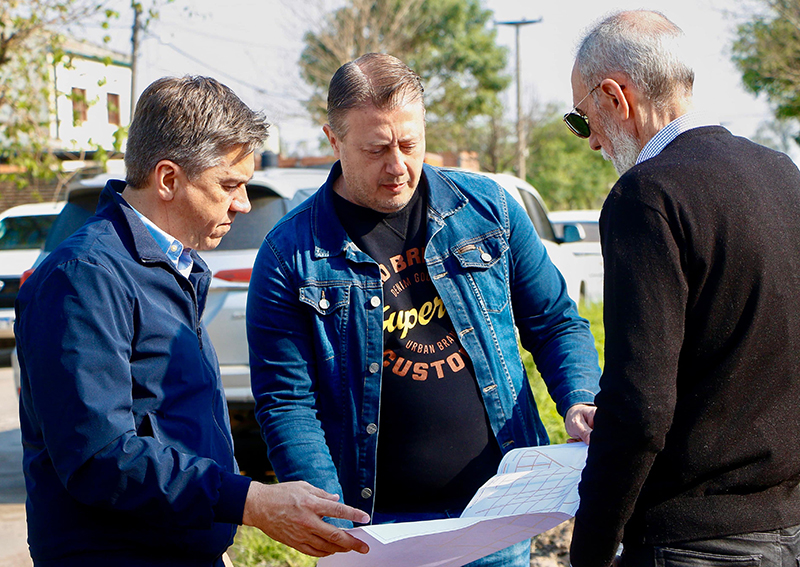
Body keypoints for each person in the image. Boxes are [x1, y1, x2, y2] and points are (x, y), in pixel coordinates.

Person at [246, 53, 601, 567]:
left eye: (410, 144)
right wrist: (332, 518)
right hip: (374, 533)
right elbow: (286, 402)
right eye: (376, 149)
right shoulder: (291, 254)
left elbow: (556, 322)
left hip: (498, 514)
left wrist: (578, 399)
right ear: (333, 139)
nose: (397, 167)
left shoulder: (489, 209)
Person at [14, 75, 369, 567]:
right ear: (167, 179)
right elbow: (99, 457)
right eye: (229, 184)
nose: (242, 204)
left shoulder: (166, 266)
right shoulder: (85, 277)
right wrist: (249, 501)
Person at [565, 10, 800, 567]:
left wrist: (592, 547)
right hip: (787, 526)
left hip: (692, 542)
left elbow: (641, 404)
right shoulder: (782, 173)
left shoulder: (646, 196)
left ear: (613, 96)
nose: (593, 142)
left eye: (581, 120)